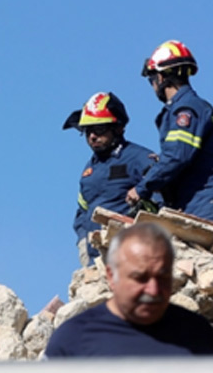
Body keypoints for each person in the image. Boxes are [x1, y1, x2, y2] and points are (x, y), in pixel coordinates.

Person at [44, 222, 213, 357]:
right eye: (140, 278)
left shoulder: (197, 334)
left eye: (162, 277)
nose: (153, 290)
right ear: (112, 276)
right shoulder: (72, 341)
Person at [127, 40, 213, 223]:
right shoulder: (184, 108)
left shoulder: (187, 109)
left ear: (161, 78)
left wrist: (142, 188)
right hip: (193, 204)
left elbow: (177, 156)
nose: (153, 86)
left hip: (206, 206)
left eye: (152, 80)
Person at [62, 92, 158, 266]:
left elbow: (161, 197)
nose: (92, 136)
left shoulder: (139, 158)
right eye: (88, 131)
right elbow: (83, 211)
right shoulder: (89, 171)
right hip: (97, 258)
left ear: (118, 128)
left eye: (98, 129)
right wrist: (83, 242)